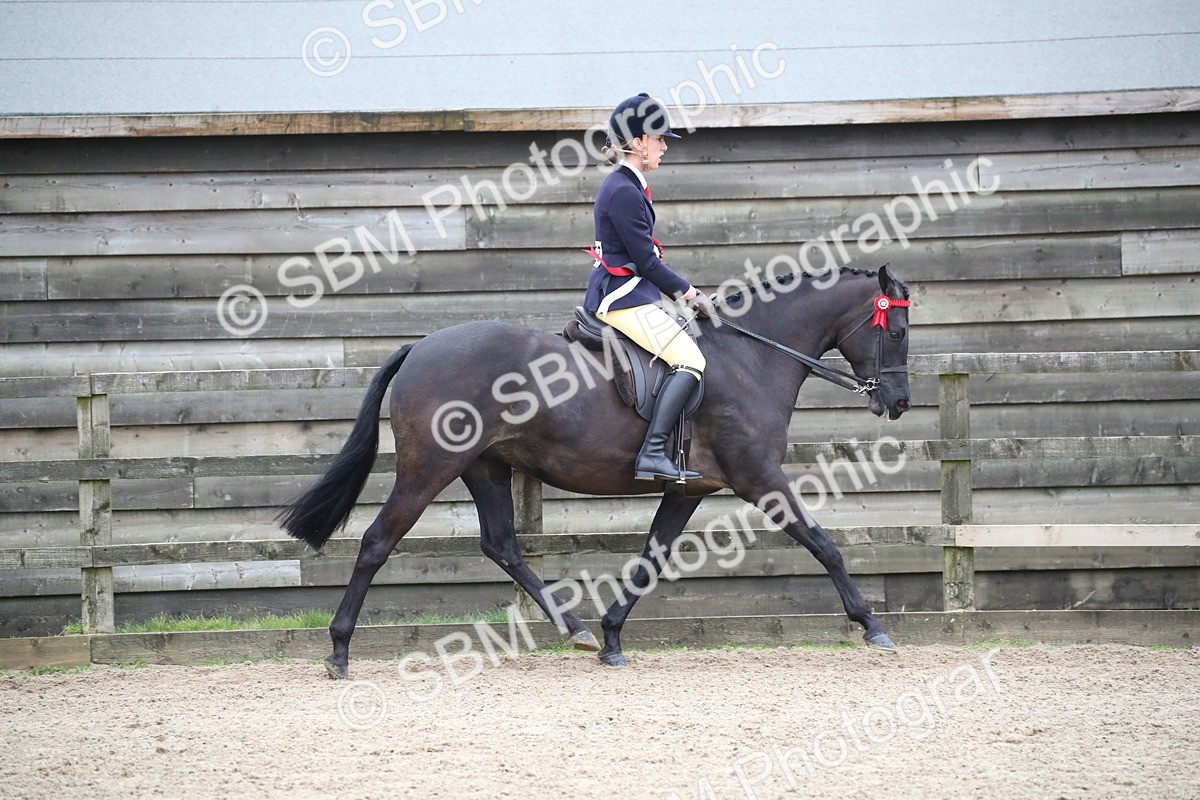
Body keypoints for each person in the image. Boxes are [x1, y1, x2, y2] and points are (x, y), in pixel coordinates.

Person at [583, 93, 712, 482]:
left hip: (632, 294)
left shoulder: (628, 185)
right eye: (659, 139)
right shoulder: (623, 190)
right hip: (621, 299)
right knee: (692, 361)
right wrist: (689, 293)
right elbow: (646, 261)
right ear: (638, 143)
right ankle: (653, 453)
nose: (665, 146)